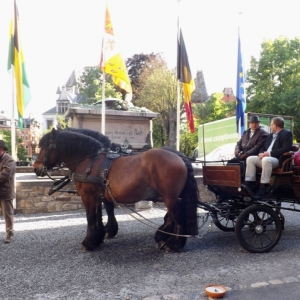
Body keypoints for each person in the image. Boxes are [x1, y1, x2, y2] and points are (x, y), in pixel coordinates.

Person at [244, 117, 293, 196]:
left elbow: (286, 148)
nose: (270, 127)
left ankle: (265, 186)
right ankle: (251, 183)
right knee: (250, 159)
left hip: (277, 159)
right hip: (265, 158)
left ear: (276, 126)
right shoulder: (270, 135)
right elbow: (263, 147)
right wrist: (260, 154)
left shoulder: (286, 134)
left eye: (271, 125)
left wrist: (269, 154)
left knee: (266, 160)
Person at [0, 140, 16, 243]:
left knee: (8, 215)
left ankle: (9, 234)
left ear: (1, 149)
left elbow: (4, 176)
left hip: (5, 193)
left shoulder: (9, 160)